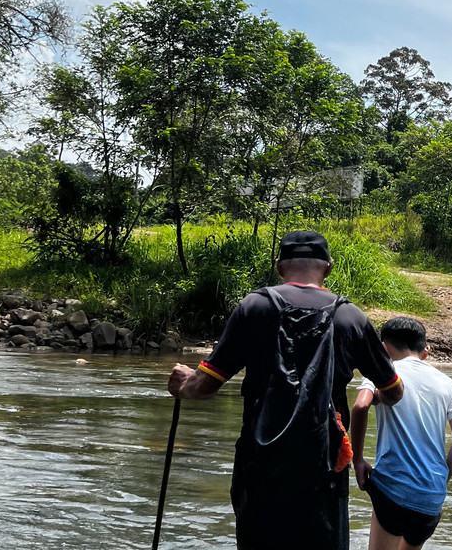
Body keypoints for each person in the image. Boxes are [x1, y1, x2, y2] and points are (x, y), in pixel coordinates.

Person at [168, 230, 403, 550]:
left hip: (259, 466)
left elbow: (205, 386)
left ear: (279, 266)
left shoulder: (254, 307)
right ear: (328, 268)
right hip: (326, 469)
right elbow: (394, 390)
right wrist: (380, 395)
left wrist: (183, 384)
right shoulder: (351, 318)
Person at [351, 317, 452, 550]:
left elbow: (360, 406)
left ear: (384, 348)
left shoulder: (383, 372)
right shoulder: (447, 383)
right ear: (423, 349)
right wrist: (440, 480)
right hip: (431, 498)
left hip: (393, 488)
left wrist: (357, 460)